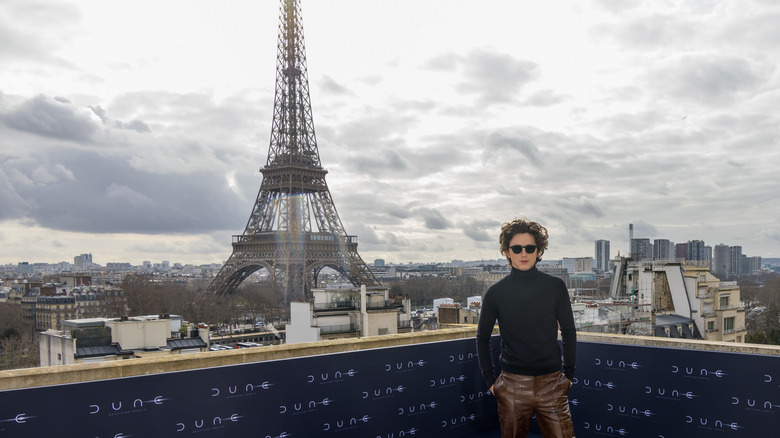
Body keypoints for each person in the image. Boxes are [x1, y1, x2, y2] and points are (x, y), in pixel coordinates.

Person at [476, 218, 577, 438]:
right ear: (507, 252)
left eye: (530, 248)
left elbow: (569, 332)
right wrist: (491, 383)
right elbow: (482, 338)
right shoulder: (495, 293)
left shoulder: (555, 287)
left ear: (538, 251)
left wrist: (568, 376)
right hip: (511, 385)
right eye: (517, 248)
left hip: (552, 383)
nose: (524, 253)